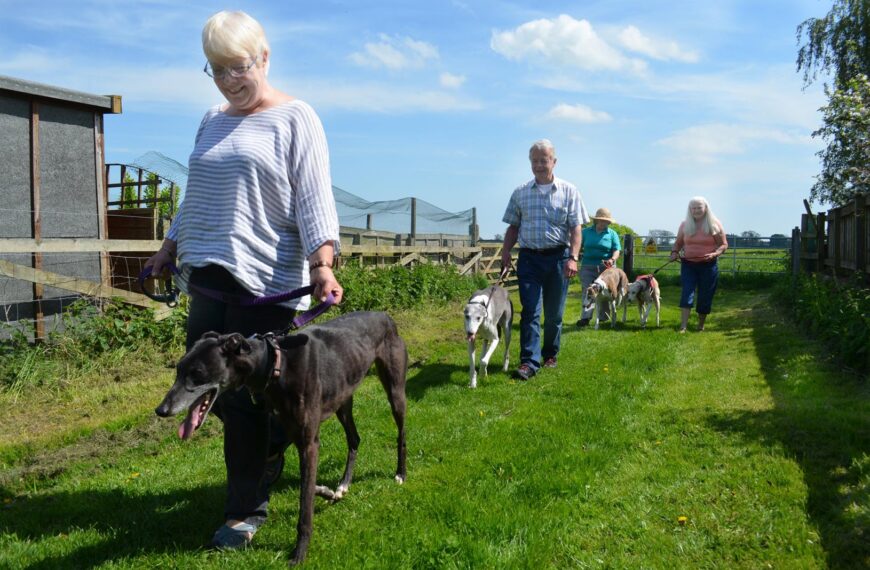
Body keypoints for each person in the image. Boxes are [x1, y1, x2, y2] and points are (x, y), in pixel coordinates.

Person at [144, 10, 343, 550]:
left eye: (238, 68)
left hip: (265, 280)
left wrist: (321, 262)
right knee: (223, 391)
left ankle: (245, 505)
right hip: (206, 277)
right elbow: (198, 195)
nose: (230, 81)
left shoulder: (297, 117)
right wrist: (169, 246)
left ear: (264, 57)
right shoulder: (211, 118)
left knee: (263, 397)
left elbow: (313, 196)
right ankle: (250, 490)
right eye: (216, 70)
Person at [500, 139, 588, 380]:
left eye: (544, 160)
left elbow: (576, 229)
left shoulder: (569, 191)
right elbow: (513, 227)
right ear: (530, 163)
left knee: (554, 314)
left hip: (559, 258)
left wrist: (573, 257)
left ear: (554, 162)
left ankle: (550, 353)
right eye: (535, 161)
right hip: (529, 259)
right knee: (530, 311)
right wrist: (506, 253)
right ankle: (529, 361)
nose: (539, 165)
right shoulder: (520, 193)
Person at [669, 196, 728, 333]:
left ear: (705, 208)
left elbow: (724, 245)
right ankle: (683, 326)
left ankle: (700, 325)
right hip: (688, 265)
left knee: (705, 295)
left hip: (708, 265)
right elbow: (678, 243)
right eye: (693, 208)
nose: (696, 210)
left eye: (699, 207)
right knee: (687, 292)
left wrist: (715, 254)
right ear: (690, 209)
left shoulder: (715, 224)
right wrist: (674, 252)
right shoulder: (685, 225)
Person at [576, 207, 622, 327]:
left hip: (606, 268)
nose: (603, 223)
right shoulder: (585, 232)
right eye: (601, 220)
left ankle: (603, 317)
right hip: (587, 265)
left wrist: (612, 259)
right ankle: (585, 318)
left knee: (605, 292)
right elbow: (578, 246)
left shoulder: (612, 234)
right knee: (588, 290)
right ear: (596, 220)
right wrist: (574, 258)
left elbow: (617, 250)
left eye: (606, 221)